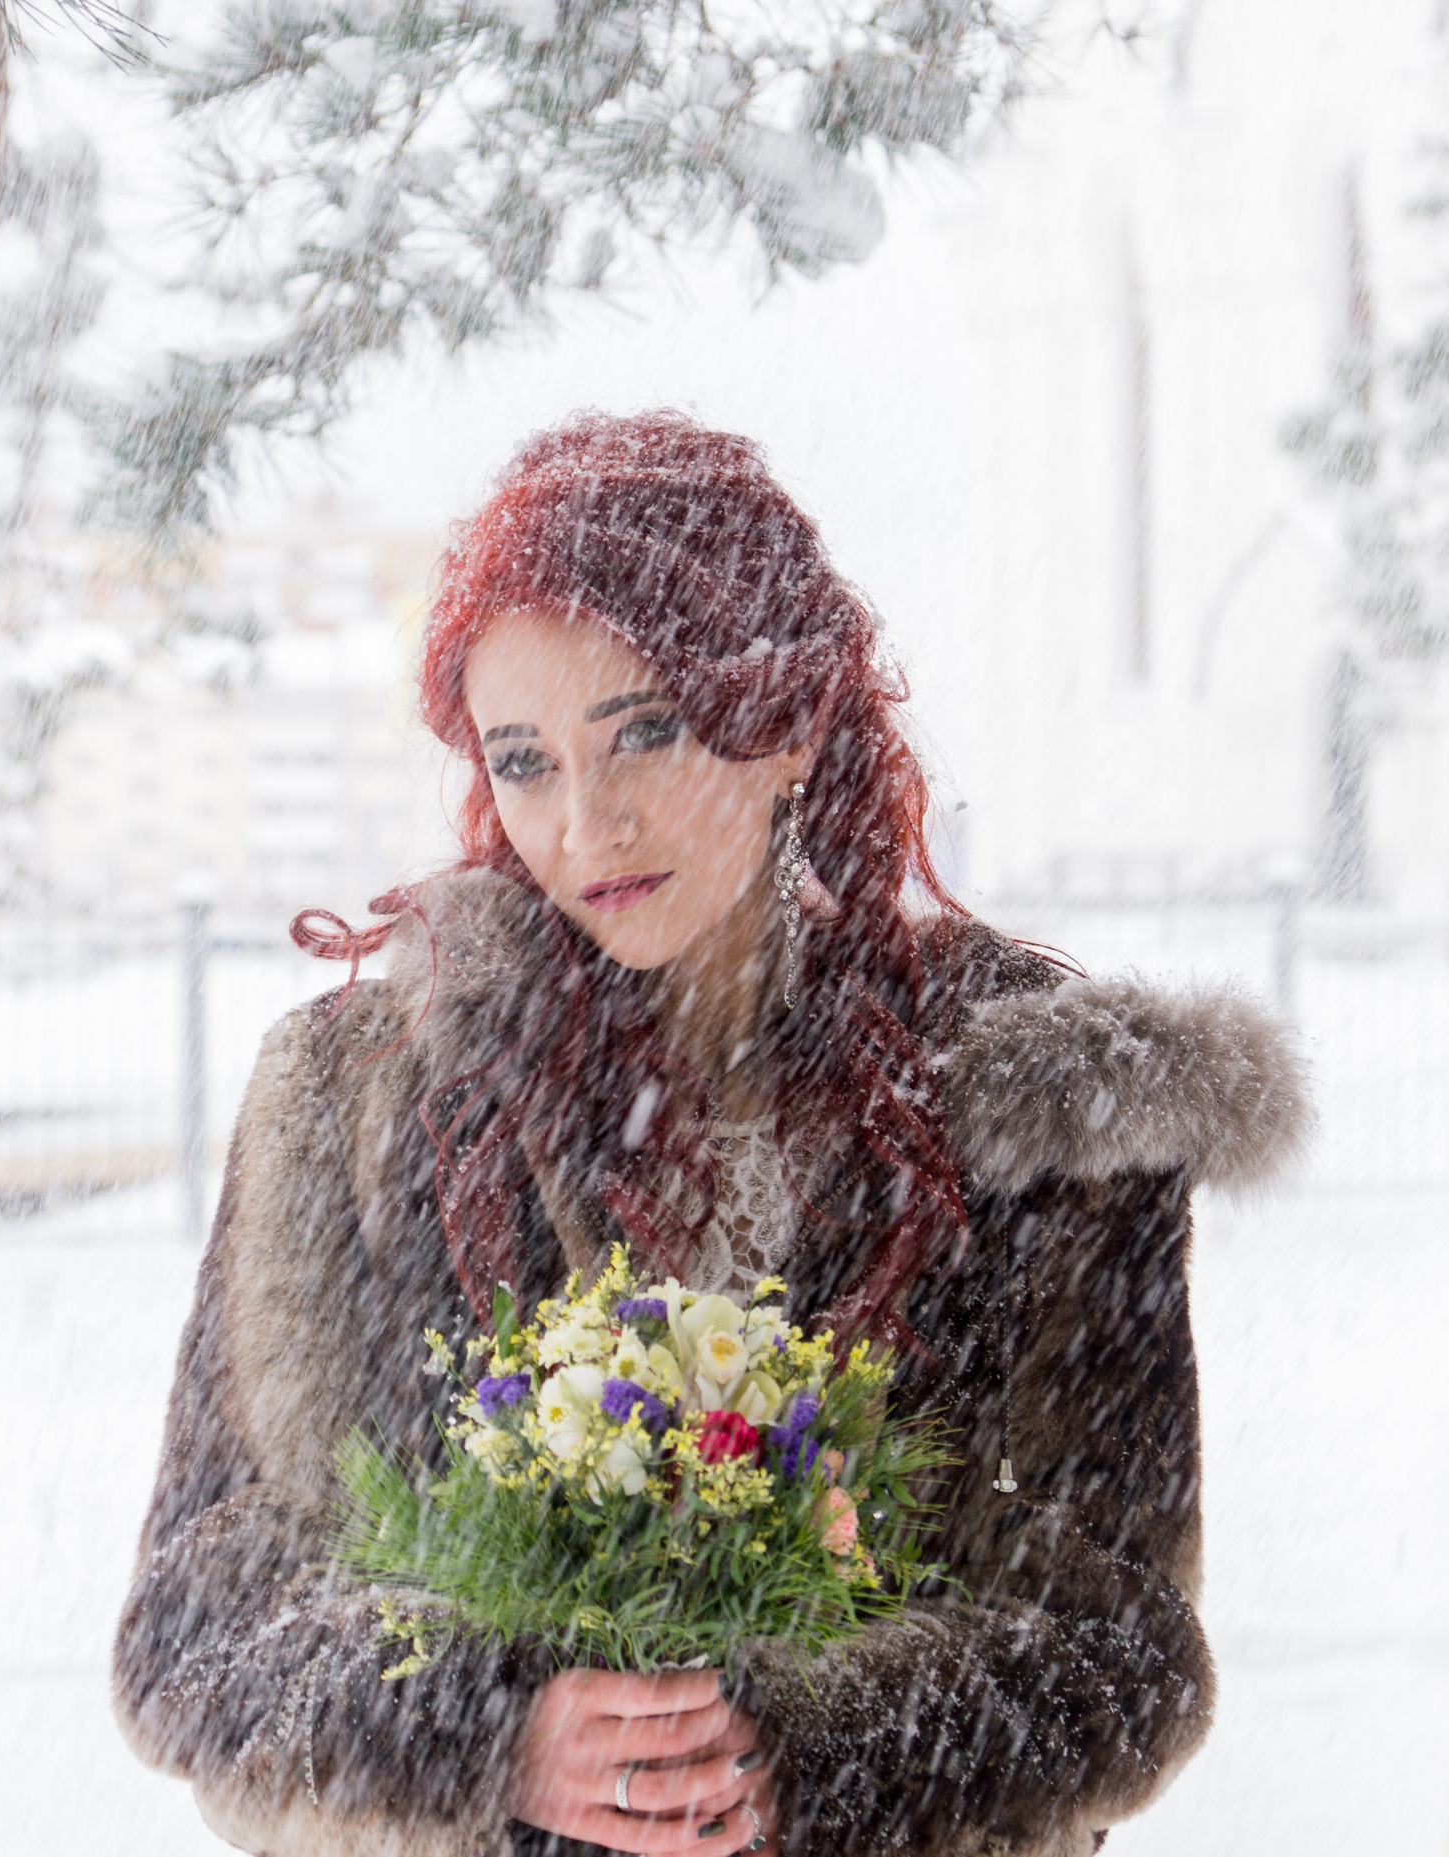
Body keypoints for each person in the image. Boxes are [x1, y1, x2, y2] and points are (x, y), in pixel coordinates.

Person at [111, 410, 1311, 1857]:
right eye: (524, 759)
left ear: (789, 722)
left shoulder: (1038, 1100)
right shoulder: (362, 1094)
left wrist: (786, 1743)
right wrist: (494, 1726)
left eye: (646, 732)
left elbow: (1121, 1651)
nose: (587, 820)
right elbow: (195, 1627)